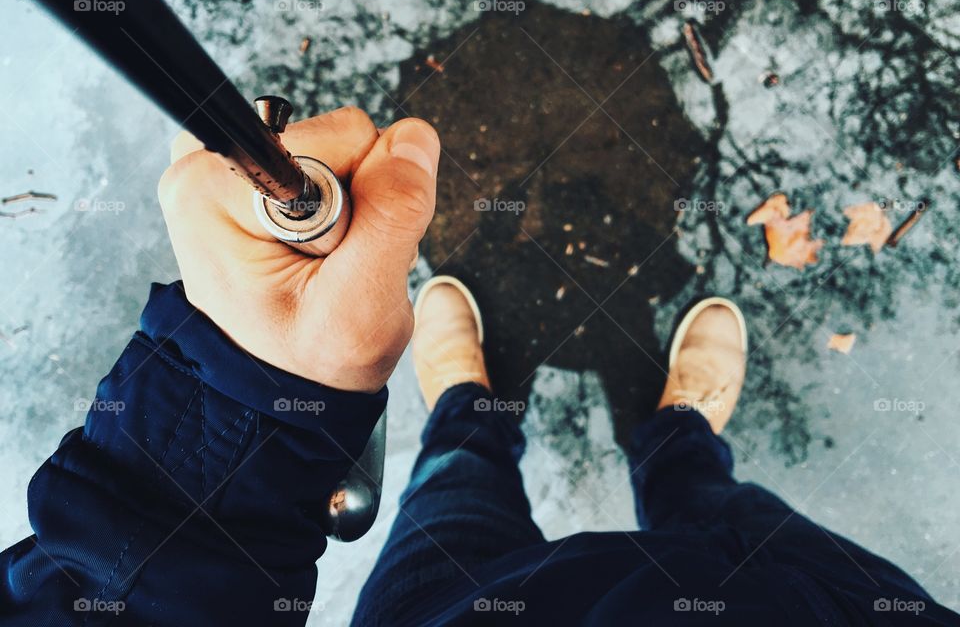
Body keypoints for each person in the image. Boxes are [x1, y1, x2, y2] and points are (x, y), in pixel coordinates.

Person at [0, 107, 954, 626]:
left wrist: (221, 427)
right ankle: (677, 437)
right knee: (725, 512)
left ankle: (468, 404)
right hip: (827, 607)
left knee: (457, 498)